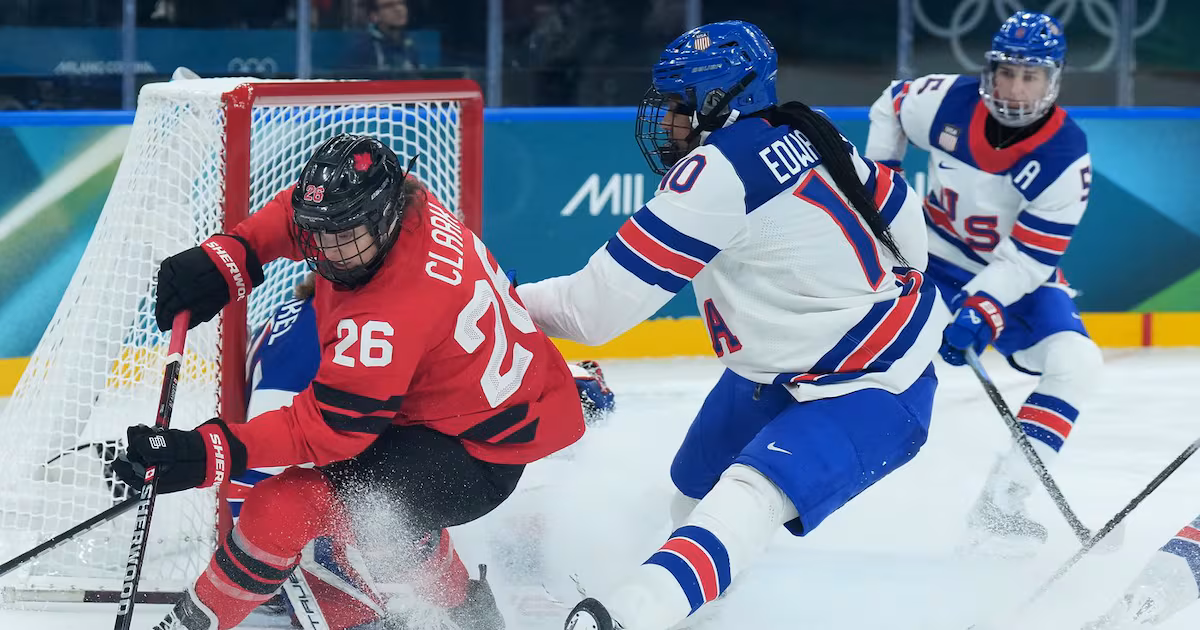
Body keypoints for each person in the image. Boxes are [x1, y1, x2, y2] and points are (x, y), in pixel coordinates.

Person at [512, 20, 946, 630]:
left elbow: (592, 311)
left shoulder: (718, 171)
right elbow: (897, 203)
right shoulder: (805, 126)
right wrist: (912, 292)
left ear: (721, 102)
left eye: (678, 107)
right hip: (775, 368)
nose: (665, 123)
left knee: (748, 495)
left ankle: (628, 615)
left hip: (869, 384)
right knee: (692, 492)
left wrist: (492, 300)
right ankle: (700, 606)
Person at [113, 133, 587, 630]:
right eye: (319, 231)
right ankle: (467, 612)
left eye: (343, 234)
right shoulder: (400, 200)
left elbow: (325, 431)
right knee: (376, 510)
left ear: (383, 217)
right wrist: (231, 256)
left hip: (475, 455)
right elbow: (305, 217)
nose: (325, 249)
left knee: (280, 509)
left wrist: (205, 452)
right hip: (474, 408)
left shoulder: (388, 317)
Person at [222, 272, 613, 628]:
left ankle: (454, 595)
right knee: (384, 513)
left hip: (323, 472)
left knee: (398, 496)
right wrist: (273, 559)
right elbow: (256, 477)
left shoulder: (329, 318)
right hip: (299, 490)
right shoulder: (329, 338)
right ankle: (448, 593)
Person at [865, 10, 1103, 552]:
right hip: (928, 255)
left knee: (1077, 364)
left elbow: (1026, 261)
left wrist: (982, 307)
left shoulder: (1066, 156)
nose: (1016, 89)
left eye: (1031, 76)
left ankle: (1002, 503)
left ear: (1054, 80)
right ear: (989, 71)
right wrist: (883, 187)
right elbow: (891, 104)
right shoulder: (946, 101)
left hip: (1011, 273)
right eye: (1007, 72)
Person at [1084, 515, 1200, 629]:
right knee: (1136, 610)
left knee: (1134, 609)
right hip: (1184, 556)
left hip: (1182, 555)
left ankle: (1107, 624)